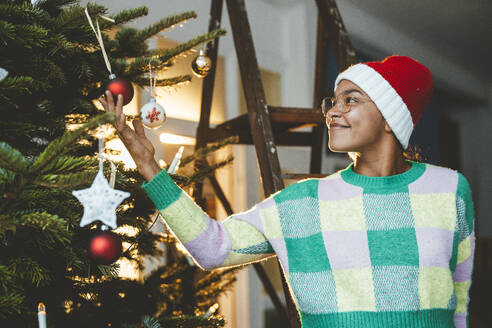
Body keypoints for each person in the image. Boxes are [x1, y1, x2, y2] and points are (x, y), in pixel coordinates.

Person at [99, 55, 475, 328]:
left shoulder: (450, 190)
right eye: (332, 101)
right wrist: (149, 165)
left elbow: (459, 295)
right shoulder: (300, 203)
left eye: (351, 100)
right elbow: (211, 249)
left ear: (392, 118)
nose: (332, 112)